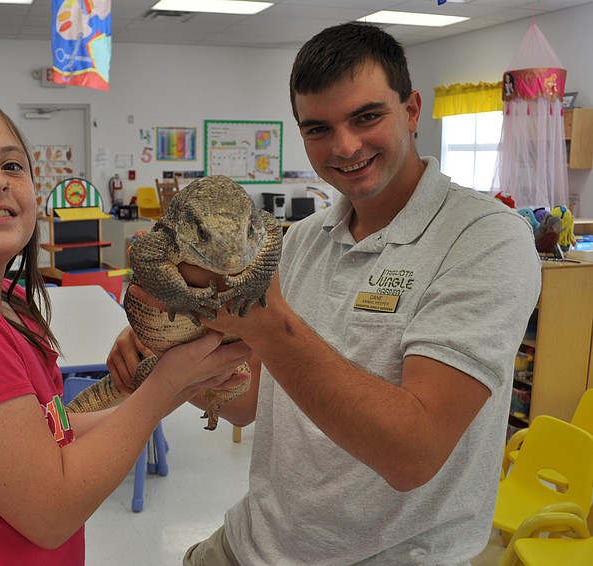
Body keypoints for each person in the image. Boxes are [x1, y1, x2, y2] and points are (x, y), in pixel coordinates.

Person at [108, 23, 542, 565]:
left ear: (411, 111)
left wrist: (264, 323)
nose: (345, 146)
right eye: (318, 128)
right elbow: (249, 400)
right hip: (251, 542)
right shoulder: (304, 239)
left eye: (367, 117)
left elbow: (413, 454)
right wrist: (168, 352)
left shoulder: (487, 239)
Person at [0, 93, 252, 565]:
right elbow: (51, 513)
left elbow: (45, 436)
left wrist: (183, 383)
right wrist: (165, 384)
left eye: (12, 165)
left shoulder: (5, 300)